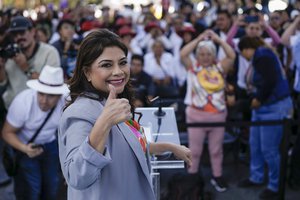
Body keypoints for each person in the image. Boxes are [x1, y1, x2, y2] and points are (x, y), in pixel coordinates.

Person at [58, 29, 192, 200]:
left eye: (122, 62)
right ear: (87, 72)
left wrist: (170, 147)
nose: (118, 71)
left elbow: (132, 146)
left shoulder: (110, 102)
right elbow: (77, 176)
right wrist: (104, 122)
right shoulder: (79, 113)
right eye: (106, 65)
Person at [180, 29, 236, 192]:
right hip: (196, 117)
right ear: (197, 56)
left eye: (208, 54)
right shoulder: (193, 68)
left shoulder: (220, 68)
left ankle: (217, 176)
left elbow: (231, 56)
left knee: (216, 150)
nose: (205, 57)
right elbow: (183, 54)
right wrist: (198, 39)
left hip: (218, 116)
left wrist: (218, 40)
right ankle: (192, 176)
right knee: (195, 151)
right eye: (202, 54)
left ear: (213, 55)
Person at [237, 36, 293, 200]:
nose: (244, 57)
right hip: (263, 107)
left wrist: (258, 98)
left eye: (243, 53)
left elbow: (269, 81)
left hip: (274, 106)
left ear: (247, 48)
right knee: (255, 145)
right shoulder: (263, 54)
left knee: (269, 149)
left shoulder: (262, 54)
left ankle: (275, 185)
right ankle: (256, 176)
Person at [2, 65, 68, 200]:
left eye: (51, 96)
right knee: (32, 190)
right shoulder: (23, 102)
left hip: (50, 144)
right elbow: (6, 132)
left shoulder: (66, 101)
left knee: (52, 187)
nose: (44, 100)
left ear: (60, 95)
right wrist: (24, 148)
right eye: (41, 93)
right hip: (26, 145)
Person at [0, 15, 60, 109]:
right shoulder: (10, 53)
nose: (18, 37)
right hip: (12, 109)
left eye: (22, 32)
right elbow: (3, 83)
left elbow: (52, 85)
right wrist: (1, 67)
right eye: (14, 34)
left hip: (39, 109)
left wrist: (26, 68)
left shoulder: (50, 52)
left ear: (33, 31)